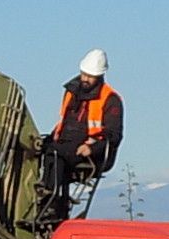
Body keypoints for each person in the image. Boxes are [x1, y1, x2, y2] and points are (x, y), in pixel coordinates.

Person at [45, 48, 123, 209]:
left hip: (91, 150)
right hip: (65, 141)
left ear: (100, 76)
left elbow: (114, 135)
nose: (85, 79)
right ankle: (47, 196)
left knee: (56, 154)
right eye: (84, 74)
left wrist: (92, 148)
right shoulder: (71, 92)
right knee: (39, 149)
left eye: (90, 76)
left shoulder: (111, 99)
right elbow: (63, 121)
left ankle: (51, 200)